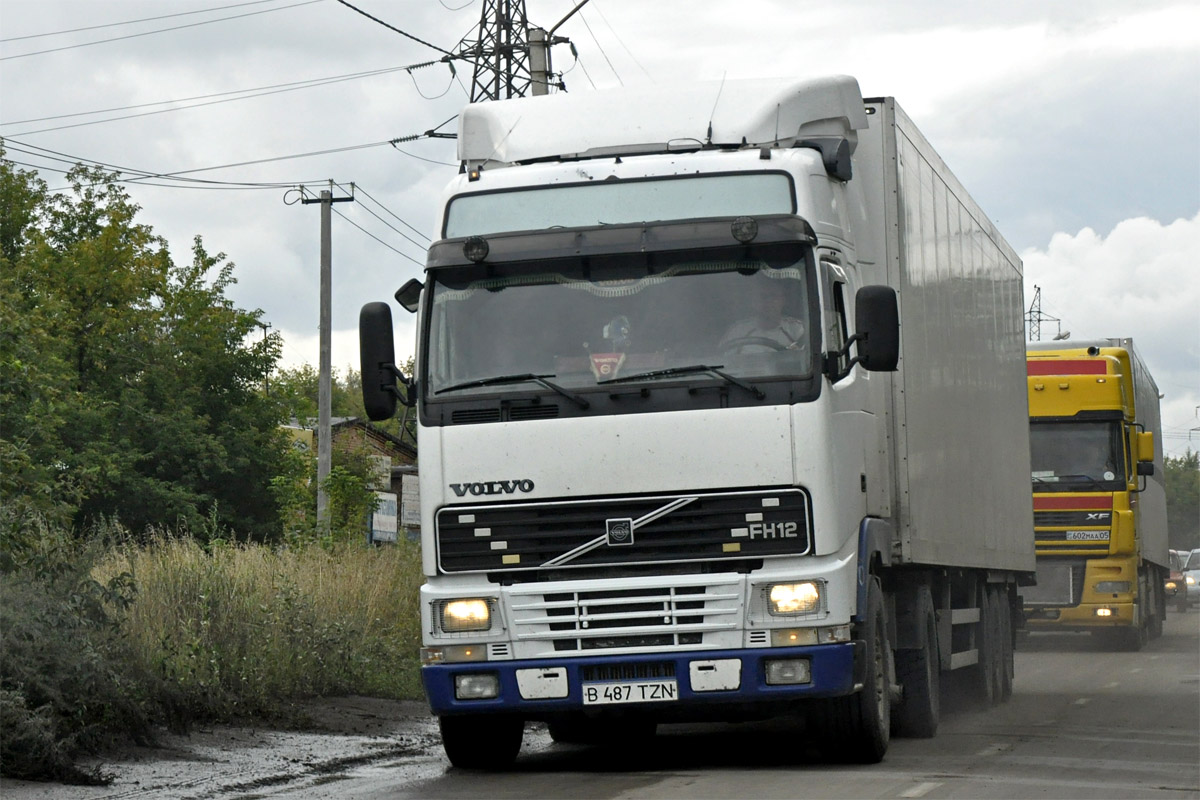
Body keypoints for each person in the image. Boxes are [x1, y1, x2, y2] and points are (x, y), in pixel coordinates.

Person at [719, 280, 806, 354]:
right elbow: (722, 360)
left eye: (773, 296)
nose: (768, 301)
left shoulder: (798, 329)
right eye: (763, 297)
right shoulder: (737, 331)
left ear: (783, 301)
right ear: (753, 302)